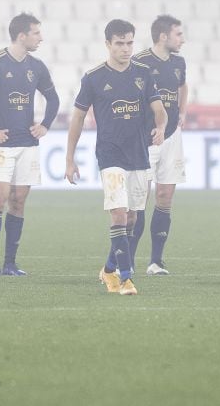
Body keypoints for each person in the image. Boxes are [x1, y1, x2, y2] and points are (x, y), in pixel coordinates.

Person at [65, 19, 166, 296]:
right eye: (120, 43)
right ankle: (125, 278)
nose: (125, 48)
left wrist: (161, 126)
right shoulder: (94, 78)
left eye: (130, 42)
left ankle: (109, 268)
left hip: (139, 154)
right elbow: (77, 117)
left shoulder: (144, 74)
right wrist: (69, 158)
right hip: (109, 155)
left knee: (133, 218)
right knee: (119, 215)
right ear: (108, 44)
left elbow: (159, 109)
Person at [0, 13, 59, 277]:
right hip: (1, 146)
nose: (41, 38)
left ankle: (10, 263)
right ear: (21, 35)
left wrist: (45, 125)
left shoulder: (36, 67)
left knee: (19, 202)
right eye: (36, 33)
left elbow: (53, 99)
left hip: (28, 144)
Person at [130, 15, 187, 276]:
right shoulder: (139, 62)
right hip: (146, 137)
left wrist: (182, 111)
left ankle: (156, 261)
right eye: (178, 34)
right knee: (140, 199)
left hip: (172, 136)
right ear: (163, 37)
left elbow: (182, 86)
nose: (182, 39)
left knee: (165, 197)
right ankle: (128, 261)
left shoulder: (178, 62)